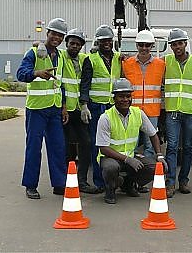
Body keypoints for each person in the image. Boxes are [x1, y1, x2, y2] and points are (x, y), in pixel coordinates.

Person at [16, 18, 68, 199]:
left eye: (60, 35)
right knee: (33, 147)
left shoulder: (61, 56)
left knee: (58, 147)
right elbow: (20, 74)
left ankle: (59, 184)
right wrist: (36, 73)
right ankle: (30, 185)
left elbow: (59, 83)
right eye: (54, 34)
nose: (57, 38)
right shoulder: (33, 53)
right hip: (37, 109)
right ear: (47, 33)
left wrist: (63, 107)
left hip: (54, 109)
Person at [96, 78, 168, 204]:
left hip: (131, 156)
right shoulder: (105, 117)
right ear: (114, 98)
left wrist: (159, 155)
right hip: (110, 158)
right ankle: (110, 189)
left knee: (156, 167)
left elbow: (153, 134)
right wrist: (127, 159)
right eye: (121, 96)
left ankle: (128, 184)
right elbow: (103, 148)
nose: (125, 99)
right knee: (111, 168)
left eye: (128, 96)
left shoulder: (138, 113)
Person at [79, 25, 122, 194]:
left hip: (113, 106)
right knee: (97, 145)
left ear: (112, 41)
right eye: (103, 40)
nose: (106, 43)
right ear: (98, 41)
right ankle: (99, 181)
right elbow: (85, 82)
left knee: (113, 143)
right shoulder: (91, 58)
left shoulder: (118, 58)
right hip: (96, 107)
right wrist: (84, 104)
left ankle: (113, 177)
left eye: (108, 40)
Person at [163, 28, 192, 198]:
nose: (177, 47)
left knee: (188, 148)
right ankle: (170, 183)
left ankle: (183, 181)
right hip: (172, 111)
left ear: (185, 44)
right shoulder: (166, 61)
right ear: (170, 46)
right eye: (174, 44)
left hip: (191, 111)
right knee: (171, 147)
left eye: (180, 43)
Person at [61, 28, 99, 194]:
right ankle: (65, 181)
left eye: (77, 44)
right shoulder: (61, 56)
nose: (74, 46)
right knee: (67, 146)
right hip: (65, 111)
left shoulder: (84, 59)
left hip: (80, 109)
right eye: (72, 43)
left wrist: (84, 104)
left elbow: (85, 83)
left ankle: (82, 181)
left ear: (82, 46)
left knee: (86, 143)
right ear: (67, 44)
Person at [121, 30, 165, 159]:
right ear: (136, 46)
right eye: (141, 45)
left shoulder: (161, 65)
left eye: (147, 45)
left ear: (152, 46)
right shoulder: (126, 64)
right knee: (131, 144)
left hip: (152, 112)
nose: (144, 48)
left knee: (150, 145)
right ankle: (132, 173)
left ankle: (147, 174)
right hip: (132, 111)